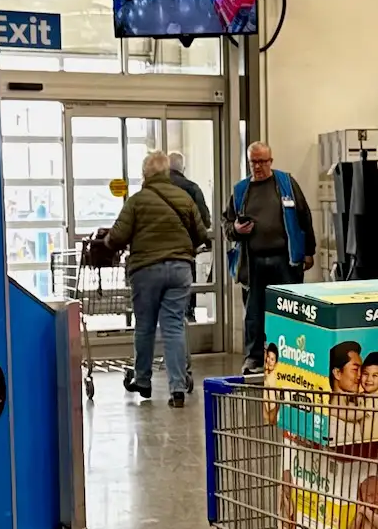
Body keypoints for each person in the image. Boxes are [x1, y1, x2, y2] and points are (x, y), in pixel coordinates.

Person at [102, 149, 203, 406]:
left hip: (146, 270)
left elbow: (118, 237)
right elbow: (201, 234)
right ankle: (178, 388)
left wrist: (106, 241)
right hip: (180, 269)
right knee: (173, 326)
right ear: (167, 173)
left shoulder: (137, 201)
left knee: (145, 325)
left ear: (145, 174)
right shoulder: (184, 198)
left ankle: (143, 380)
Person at [228, 141, 316, 372]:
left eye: (262, 162)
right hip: (253, 261)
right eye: (253, 162)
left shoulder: (286, 183)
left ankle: (292, 354)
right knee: (254, 313)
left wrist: (309, 251)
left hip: (285, 260)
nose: (258, 167)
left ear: (271, 161)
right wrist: (236, 229)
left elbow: (304, 216)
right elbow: (226, 224)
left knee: (290, 310)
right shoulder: (240, 191)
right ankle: (254, 357)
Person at [165, 151, 213, 242]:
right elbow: (204, 220)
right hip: (185, 242)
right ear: (183, 169)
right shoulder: (192, 188)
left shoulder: (156, 187)